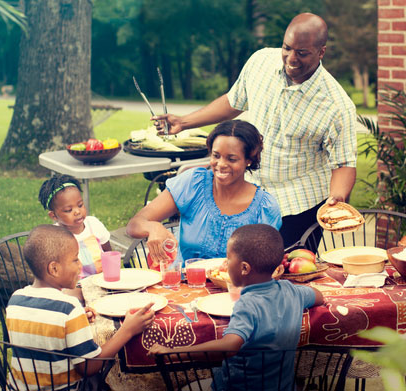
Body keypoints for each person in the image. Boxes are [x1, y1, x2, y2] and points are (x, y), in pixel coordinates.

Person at [150, 13, 360, 249]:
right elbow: (233, 102)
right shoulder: (260, 61)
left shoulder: (336, 105)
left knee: (285, 276)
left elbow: (343, 163)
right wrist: (184, 122)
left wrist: (337, 198)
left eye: (302, 53)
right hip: (249, 196)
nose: (291, 58)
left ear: (321, 52)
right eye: (287, 48)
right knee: (239, 271)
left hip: (297, 206)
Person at [149, 224, 324, 391]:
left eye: (228, 258)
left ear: (244, 268)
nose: (225, 264)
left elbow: (229, 346)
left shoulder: (247, 304)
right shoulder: (291, 291)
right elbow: (318, 296)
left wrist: (173, 352)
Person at [6, 225, 155, 391]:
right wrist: (127, 330)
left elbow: (42, 329)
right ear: (54, 269)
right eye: (75, 259)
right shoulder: (69, 308)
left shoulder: (15, 299)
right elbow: (88, 368)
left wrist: (72, 324)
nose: (81, 264)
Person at [127, 120, 282, 267]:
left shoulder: (264, 207)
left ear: (249, 159)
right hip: (185, 287)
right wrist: (153, 227)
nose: (221, 165)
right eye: (216, 156)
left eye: (232, 159)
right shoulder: (194, 184)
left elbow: (265, 266)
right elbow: (134, 224)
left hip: (238, 291)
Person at [39, 174, 112, 278]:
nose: (77, 211)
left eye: (80, 205)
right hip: (74, 287)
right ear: (53, 215)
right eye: (69, 210)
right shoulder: (55, 236)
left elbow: (108, 252)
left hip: (103, 280)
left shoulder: (94, 224)